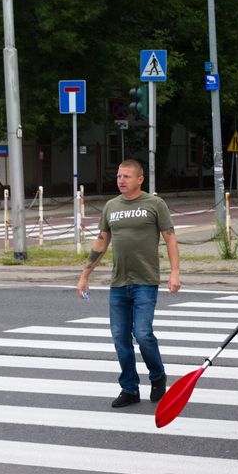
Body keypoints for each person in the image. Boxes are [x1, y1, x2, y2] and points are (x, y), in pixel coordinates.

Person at [76, 159, 180, 408]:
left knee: (143, 334)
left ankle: (157, 377)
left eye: (127, 176)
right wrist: (84, 276)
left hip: (145, 281)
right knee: (120, 338)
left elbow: (170, 239)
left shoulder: (154, 204)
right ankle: (129, 388)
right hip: (118, 283)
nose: (121, 180)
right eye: (119, 176)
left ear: (140, 179)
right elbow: (101, 242)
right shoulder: (111, 206)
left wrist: (174, 272)